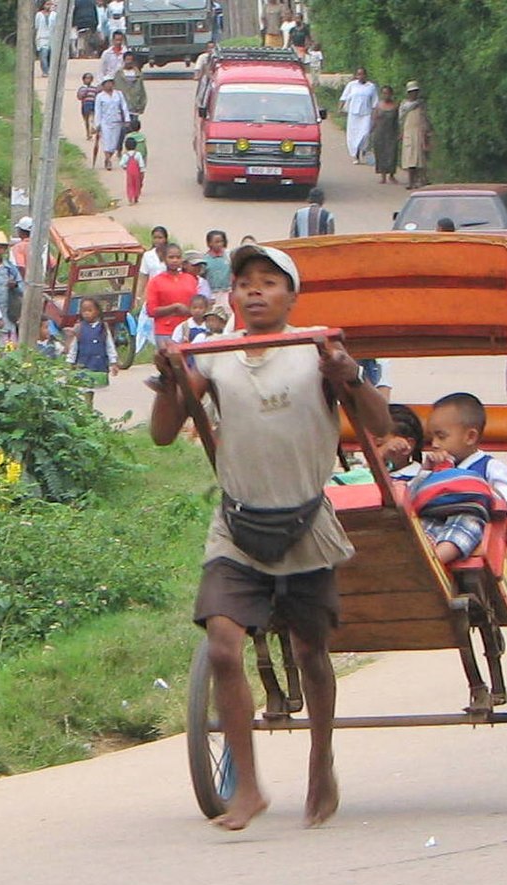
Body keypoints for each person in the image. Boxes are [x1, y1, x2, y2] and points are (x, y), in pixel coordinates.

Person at [149, 241, 391, 831]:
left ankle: (321, 759)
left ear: (292, 295)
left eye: (269, 281)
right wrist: (173, 380)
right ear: (230, 295)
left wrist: (348, 376)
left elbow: (379, 425)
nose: (255, 290)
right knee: (225, 647)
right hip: (236, 522)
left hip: (305, 519)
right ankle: (250, 787)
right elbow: (162, 434)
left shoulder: (315, 348)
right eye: (245, 282)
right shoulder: (213, 355)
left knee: (311, 651)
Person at [409, 392, 507, 564]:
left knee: (467, 521)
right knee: (419, 526)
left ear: (470, 437)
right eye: (431, 438)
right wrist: (425, 472)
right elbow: (411, 499)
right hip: (435, 522)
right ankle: (421, 559)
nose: (434, 444)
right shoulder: (433, 469)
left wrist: (484, 495)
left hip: (473, 530)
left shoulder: (489, 467)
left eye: (441, 437)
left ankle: (434, 562)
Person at [144, 244, 199, 348]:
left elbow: (197, 303)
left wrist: (190, 311)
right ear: (164, 259)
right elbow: (151, 310)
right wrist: (175, 307)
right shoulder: (156, 281)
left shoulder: (190, 279)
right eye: (171, 257)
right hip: (165, 331)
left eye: (178, 257)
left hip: (188, 328)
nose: (174, 260)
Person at [66, 296, 119, 381]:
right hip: (83, 365)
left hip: (100, 366)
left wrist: (113, 362)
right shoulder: (79, 328)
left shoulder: (103, 328)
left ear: (97, 312)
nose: (86, 313)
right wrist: (70, 362)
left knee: (100, 388)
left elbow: (110, 346)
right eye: (84, 311)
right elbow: (74, 347)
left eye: (89, 310)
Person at [339, 68, 378, 163]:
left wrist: (375, 115)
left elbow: (375, 103)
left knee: (365, 134)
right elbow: (343, 97)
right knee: (354, 135)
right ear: (356, 76)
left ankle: (364, 151)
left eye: (363, 74)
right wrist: (340, 108)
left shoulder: (371, 87)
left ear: (366, 75)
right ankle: (356, 156)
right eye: (359, 74)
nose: (361, 76)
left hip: (366, 114)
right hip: (353, 114)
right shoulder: (351, 85)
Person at [399, 81, 432, 189]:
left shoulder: (421, 104)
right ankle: (411, 182)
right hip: (408, 132)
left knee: (420, 158)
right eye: (412, 92)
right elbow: (400, 120)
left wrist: (427, 131)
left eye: (416, 92)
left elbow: (425, 118)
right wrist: (400, 132)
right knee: (409, 159)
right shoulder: (404, 105)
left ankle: (422, 180)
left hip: (420, 132)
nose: (414, 94)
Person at [93, 76, 130, 170]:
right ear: (103, 85)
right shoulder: (100, 96)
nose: (109, 85)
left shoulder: (119, 94)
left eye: (111, 83)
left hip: (117, 121)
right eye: (107, 83)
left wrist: (127, 119)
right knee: (106, 142)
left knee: (114, 144)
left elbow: (124, 106)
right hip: (105, 122)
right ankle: (108, 160)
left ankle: (108, 157)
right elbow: (98, 111)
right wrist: (97, 124)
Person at [370, 85, 399, 184]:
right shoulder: (378, 106)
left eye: (388, 93)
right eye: (384, 93)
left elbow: (398, 121)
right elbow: (374, 119)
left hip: (391, 132)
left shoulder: (395, 106)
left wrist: (399, 133)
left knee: (392, 154)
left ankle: (391, 175)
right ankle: (383, 176)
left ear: (391, 94)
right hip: (380, 133)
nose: (386, 95)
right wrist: (371, 131)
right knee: (381, 154)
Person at [113, 52, 147, 120]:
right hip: (122, 107)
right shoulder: (118, 74)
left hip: (134, 107)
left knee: (133, 126)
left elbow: (142, 91)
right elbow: (115, 90)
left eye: (131, 60)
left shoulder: (138, 74)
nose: (129, 62)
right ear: (124, 60)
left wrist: (141, 105)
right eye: (127, 59)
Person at [204, 230, 232, 296]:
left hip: (227, 292)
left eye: (221, 241)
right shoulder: (205, 260)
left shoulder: (229, 257)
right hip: (211, 293)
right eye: (216, 242)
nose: (219, 244)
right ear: (209, 243)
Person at [34, 1, 57, 78]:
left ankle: (50, 69)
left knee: (50, 55)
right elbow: (36, 26)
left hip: (52, 38)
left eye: (50, 4)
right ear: (43, 5)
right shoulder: (39, 15)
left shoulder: (54, 15)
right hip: (42, 37)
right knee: (43, 55)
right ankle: (45, 71)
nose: (49, 6)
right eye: (47, 4)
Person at [120, 136, 145, 204]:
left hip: (129, 173)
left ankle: (130, 198)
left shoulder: (125, 155)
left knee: (130, 185)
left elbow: (121, 164)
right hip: (137, 172)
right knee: (137, 184)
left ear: (126, 147)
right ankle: (136, 197)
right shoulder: (138, 154)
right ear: (135, 146)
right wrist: (142, 171)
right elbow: (141, 164)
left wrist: (125, 167)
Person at [76, 71, 99, 140]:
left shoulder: (94, 88)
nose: (88, 80)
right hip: (85, 105)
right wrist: (84, 93)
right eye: (86, 78)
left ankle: (92, 128)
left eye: (89, 78)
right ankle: (88, 133)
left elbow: (97, 96)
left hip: (92, 104)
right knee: (86, 120)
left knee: (92, 118)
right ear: (83, 80)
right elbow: (79, 97)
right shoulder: (82, 88)